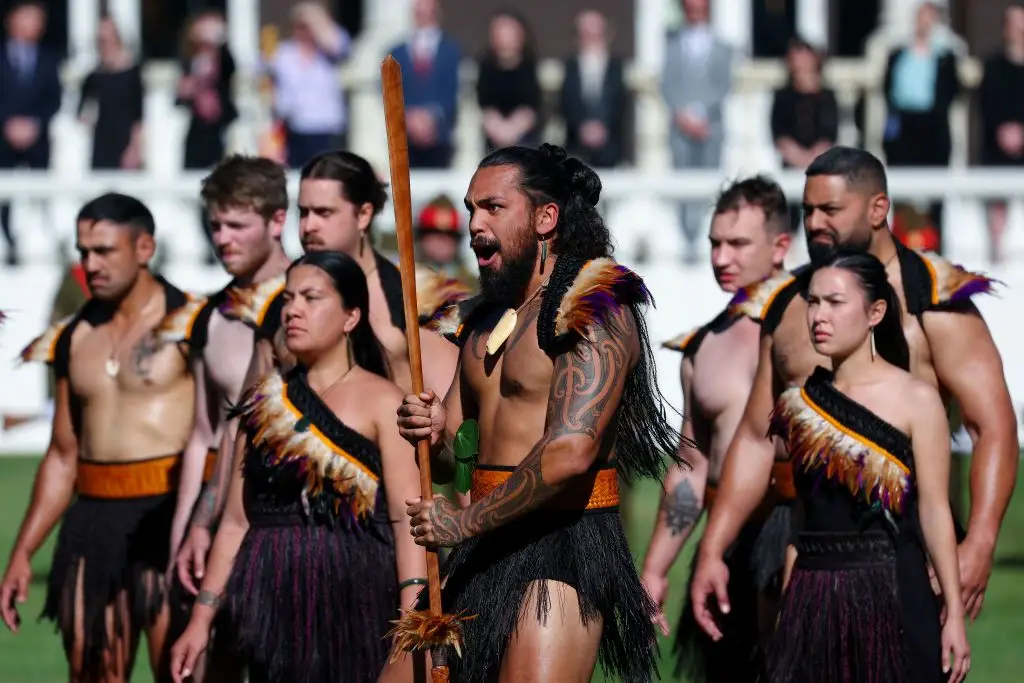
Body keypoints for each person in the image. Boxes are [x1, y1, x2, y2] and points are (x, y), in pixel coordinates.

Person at [689, 146, 1017, 643]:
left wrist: (981, 540)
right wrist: (714, 547)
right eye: (808, 211)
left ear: (878, 209)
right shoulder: (786, 309)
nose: (815, 223)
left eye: (830, 210)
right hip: (810, 556)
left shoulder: (935, 301)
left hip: (912, 555)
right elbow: (756, 439)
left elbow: (992, 425)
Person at [398, 143, 682, 683]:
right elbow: (458, 454)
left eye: (493, 208)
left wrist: (461, 522)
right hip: (481, 542)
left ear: (546, 218)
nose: (474, 224)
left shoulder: (594, 308)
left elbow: (570, 454)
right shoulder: (484, 319)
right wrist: (432, 433)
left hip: (559, 551)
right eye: (470, 209)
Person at [173, 149, 468, 619]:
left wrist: (471, 539)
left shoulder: (413, 306)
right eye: (304, 211)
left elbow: (465, 440)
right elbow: (242, 425)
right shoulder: (281, 313)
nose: (308, 226)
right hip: (295, 549)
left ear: (364, 214)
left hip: (396, 543)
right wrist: (204, 522)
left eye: (324, 212)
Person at [169, 251, 428, 683]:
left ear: (351, 317)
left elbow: (407, 520)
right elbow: (234, 522)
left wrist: (412, 618)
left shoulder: (385, 401)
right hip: (272, 599)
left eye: (311, 298)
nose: (292, 310)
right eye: (289, 298)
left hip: (359, 597)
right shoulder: (263, 405)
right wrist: (200, 619)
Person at [1, 193, 196, 681]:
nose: (90, 264)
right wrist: (24, 550)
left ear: (144, 247)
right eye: (83, 251)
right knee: (92, 672)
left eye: (104, 250)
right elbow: (63, 456)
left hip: (171, 518)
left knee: (183, 672)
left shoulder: (193, 325)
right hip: (93, 522)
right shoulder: (72, 338)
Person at [766, 250, 969, 683]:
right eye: (813, 302)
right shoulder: (800, 405)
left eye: (835, 303)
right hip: (813, 595)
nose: (819, 315)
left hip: (893, 590)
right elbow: (803, 519)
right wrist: (788, 608)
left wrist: (952, 610)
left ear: (876, 312)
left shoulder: (917, 399)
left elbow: (935, 510)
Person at [640, 176, 795, 682]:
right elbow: (691, 466)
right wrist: (656, 569)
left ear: (780, 246)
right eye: (714, 243)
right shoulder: (702, 347)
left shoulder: (822, 327)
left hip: (804, 535)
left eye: (737, 244)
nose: (721, 257)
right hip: (728, 543)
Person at [158, 154, 292, 683]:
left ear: (277, 221)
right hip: (225, 517)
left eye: (237, 224)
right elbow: (203, 437)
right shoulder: (210, 318)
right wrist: (184, 532)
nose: (223, 237)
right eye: (215, 224)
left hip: (296, 523)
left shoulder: (320, 303)